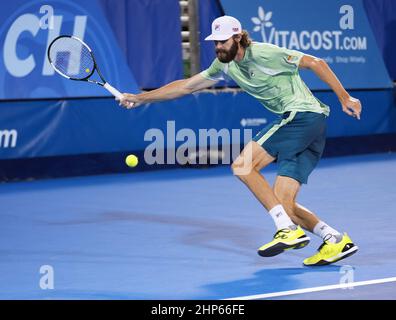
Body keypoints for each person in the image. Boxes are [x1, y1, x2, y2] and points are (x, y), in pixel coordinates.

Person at [119, 16, 361, 266]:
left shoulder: (264, 53)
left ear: (237, 37)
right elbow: (185, 86)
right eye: (215, 43)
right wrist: (141, 98)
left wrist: (345, 97)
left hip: (303, 116)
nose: (218, 47)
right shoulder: (224, 65)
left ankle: (287, 230)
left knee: (243, 165)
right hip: (311, 129)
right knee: (283, 204)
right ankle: (334, 240)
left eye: (222, 41)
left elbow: (315, 62)